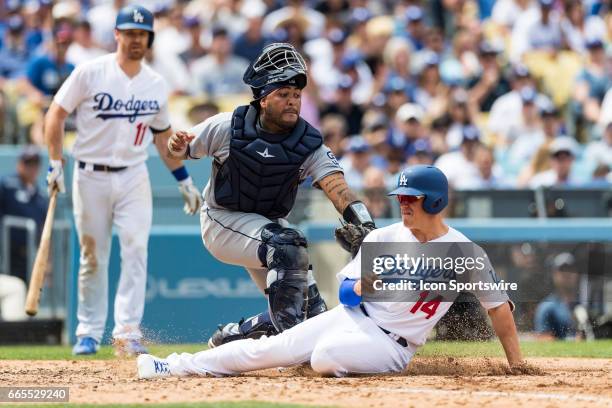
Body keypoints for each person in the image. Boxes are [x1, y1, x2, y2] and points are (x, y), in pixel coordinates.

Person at [135, 165, 525, 379]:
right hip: (353, 318)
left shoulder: (465, 253)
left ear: (435, 201)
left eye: (412, 198)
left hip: (393, 346)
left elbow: (497, 309)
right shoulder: (382, 239)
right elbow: (347, 296)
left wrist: (516, 363)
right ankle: (174, 365)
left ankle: (339, 364)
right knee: (269, 349)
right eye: (401, 197)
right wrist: (365, 284)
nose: (403, 204)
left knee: (323, 357)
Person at [165, 43, 377, 348]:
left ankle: (233, 336)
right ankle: (290, 348)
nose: (292, 102)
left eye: (296, 95)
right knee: (290, 245)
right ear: (264, 99)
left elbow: (338, 188)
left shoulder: (308, 142)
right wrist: (176, 145)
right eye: (283, 95)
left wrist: (366, 227)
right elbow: (182, 149)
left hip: (269, 227)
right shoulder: (229, 125)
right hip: (223, 220)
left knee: (315, 316)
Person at [44, 5, 202, 356]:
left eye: (142, 34)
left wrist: (183, 179)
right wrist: (55, 162)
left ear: (149, 40)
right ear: (117, 34)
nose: (135, 39)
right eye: (129, 33)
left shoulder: (156, 84)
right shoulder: (90, 72)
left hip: (133, 174)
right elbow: (55, 113)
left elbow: (162, 137)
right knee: (93, 255)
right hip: (89, 173)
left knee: (135, 249)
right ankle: (87, 331)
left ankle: (127, 332)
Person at [0, 146, 48, 284]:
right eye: (28, 163)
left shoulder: (40, 196)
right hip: (6, 254)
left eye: (35, 164)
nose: (31, 168)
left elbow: (43, 229)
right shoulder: (6, 185)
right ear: (19, 164)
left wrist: (47, 263)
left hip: (29, 256)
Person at [534, 253, 579, 340]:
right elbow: (544, 339)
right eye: (562, 270)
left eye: (570, 270)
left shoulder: (585, 305)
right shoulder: (546, 307)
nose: (567, 274)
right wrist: (574, 342)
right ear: (554, 275)